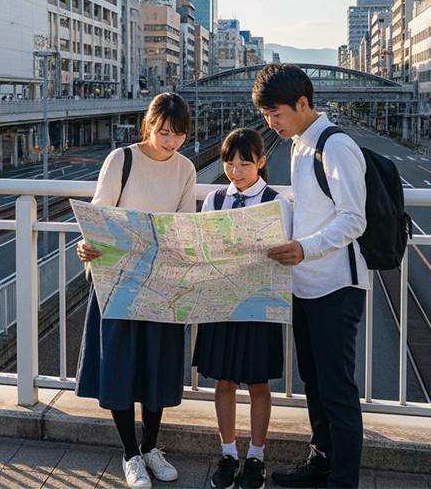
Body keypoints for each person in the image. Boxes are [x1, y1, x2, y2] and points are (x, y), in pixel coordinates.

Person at [253, 64, 369, 489]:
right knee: (315, 384)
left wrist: (306, 248)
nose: (271, 123)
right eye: (266, 116)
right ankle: (321, 463)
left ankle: (343, 482)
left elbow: (353, 219)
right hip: (305, 285)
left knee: (337, 391)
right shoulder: (300, 144)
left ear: (303, 104)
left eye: (276, 114)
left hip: (336, 287)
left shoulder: (335, 146)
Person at [75, 92, 197, 489]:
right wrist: (86, 245)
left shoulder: (185, 169)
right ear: (149, 126)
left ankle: (151, 449)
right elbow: (98, 213)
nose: (171, 141)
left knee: (156, 370)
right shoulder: (121, 159)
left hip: (161, 285)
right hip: (119, 283)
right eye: (164, 132)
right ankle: (130, 454)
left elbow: (183, 227)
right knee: (120, 369)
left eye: (179, 134)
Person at [194, 128, 293, 489]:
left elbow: (285, 254)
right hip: (222, 302)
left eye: (245, 164)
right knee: (223, 380)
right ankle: (228, 454)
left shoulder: (277, 203)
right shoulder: (214, 199)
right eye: (230, 163)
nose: (235, 171)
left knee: (258, 382)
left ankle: (256, 457)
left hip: (258, 304)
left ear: (261, 162)